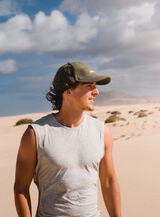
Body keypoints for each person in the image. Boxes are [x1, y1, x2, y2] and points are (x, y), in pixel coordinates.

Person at [14, 61, 121, 217]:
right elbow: (20, 188)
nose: (96, 92)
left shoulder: (102, 132)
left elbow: (109, 182)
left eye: (95, 86)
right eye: (89, 86)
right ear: (68, 90)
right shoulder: (36, 134)